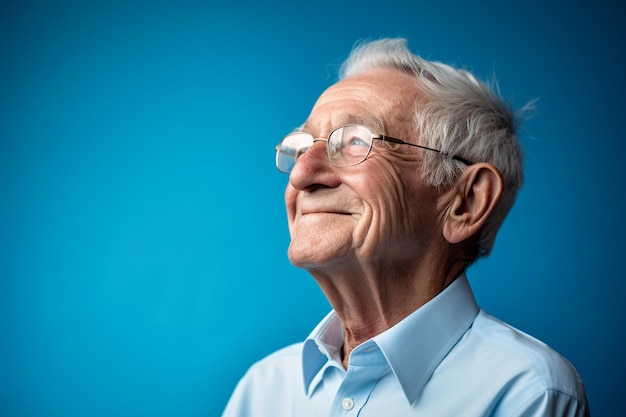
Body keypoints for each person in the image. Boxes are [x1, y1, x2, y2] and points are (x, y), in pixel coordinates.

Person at [222, 38, 589, 416]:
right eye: (301, 147)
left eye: (354, 142)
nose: (301, 174)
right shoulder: (262, 389)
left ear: (466, 202)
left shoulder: (529, 393)